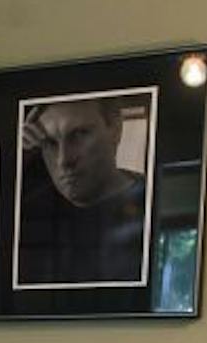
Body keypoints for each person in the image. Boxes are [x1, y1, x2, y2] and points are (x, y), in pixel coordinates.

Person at [14, 96, 148, 287]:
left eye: (79, 135)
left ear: (115, 129)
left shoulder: (153, 202)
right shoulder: (30, 210)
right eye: (50, 143)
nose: (63, 160)